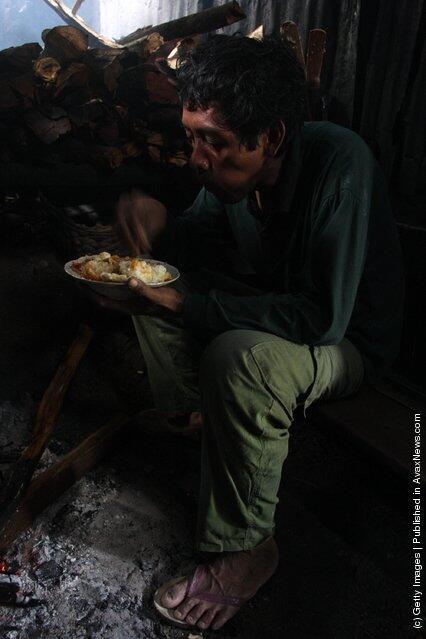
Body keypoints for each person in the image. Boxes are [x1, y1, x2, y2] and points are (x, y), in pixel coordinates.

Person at [93, 35, 404, 631]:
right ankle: (196, 419)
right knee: (149, 286)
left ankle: (247, 547)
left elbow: (321, 319)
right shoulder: (234, 182)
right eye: (191, 136)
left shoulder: (340, 164)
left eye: (216, 142)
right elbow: (192, 241)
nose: (197, 158)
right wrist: (157, 224)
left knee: (238, 358)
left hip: (348, 342)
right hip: (286, 310)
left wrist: (187, 303)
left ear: (274, 137)